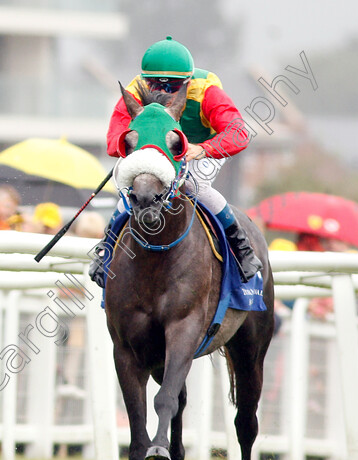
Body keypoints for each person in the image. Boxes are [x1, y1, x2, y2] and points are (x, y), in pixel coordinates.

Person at [89, 36, 261, 288]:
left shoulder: (207, 91)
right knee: (133, 189)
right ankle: (106, 250)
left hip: (200, 149)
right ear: (145, 80)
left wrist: (202, 149)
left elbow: (238, 133)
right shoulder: (135, 91)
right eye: (156, 84)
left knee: (195, 188)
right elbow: (114, 137)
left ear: (188, 81)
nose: (164, 92)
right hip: (157, 150)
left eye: (173, 85)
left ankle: (242, 249)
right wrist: (130, 146)